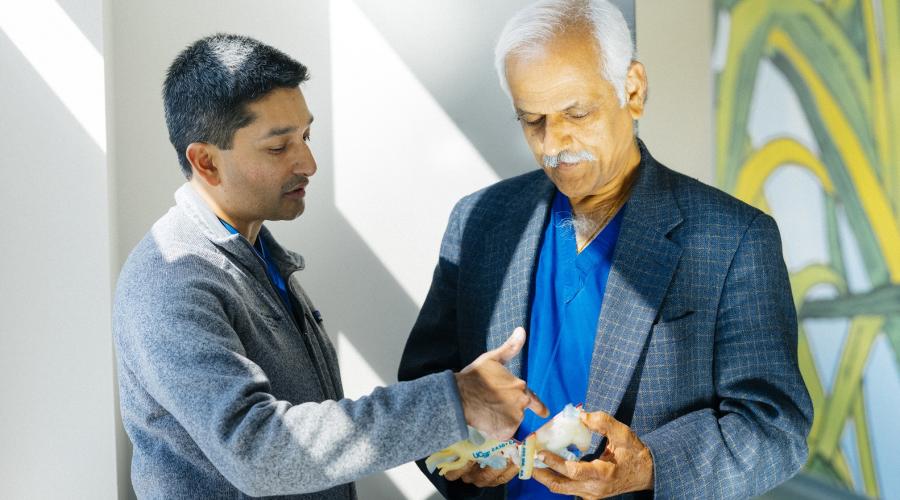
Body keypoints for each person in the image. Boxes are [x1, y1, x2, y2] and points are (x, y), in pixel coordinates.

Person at [398, 1, 813, 498]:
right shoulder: (479, 220)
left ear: (633, 90)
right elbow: (422, 390)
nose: (554, 143)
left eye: (577, 112)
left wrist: (650, 466)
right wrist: (464, 449)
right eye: (533, 120)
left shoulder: (733, 238)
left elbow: (774, 426)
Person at [112, 33, 548, 499]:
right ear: (206, 162)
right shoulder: (171, 281)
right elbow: (259, 452)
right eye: (279, 148)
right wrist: (456, 399)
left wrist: (462, 431)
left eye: (306, 136)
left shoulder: (254, 255)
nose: (309, 163)